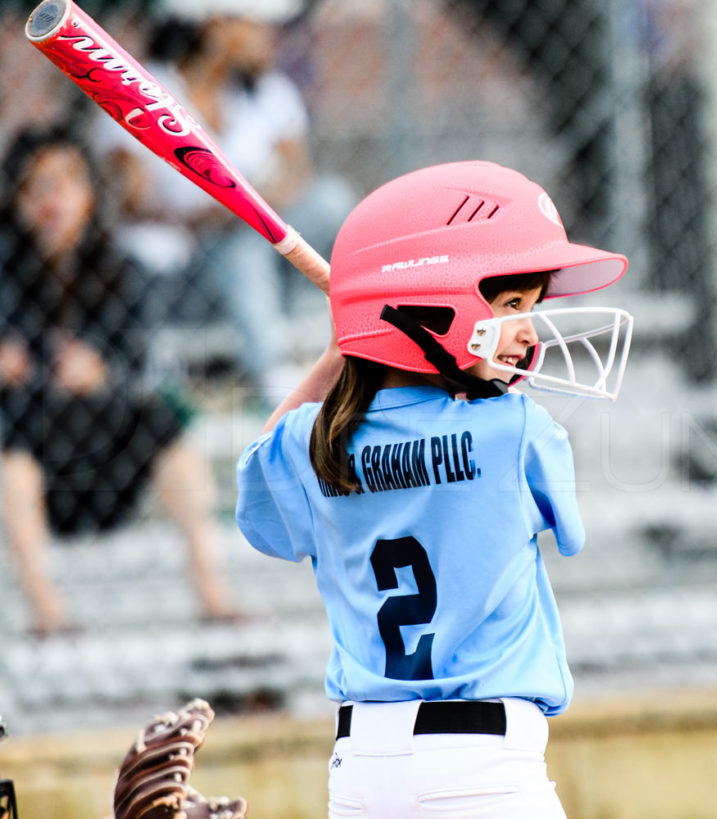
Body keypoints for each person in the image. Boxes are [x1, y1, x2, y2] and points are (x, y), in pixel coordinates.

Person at [235, 160, 633, 817]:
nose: (530, 331)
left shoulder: (312, 443)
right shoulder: (516, 429)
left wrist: (347, 346)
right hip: (485, 768)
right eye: (510, 306)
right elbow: (566, 526)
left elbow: (257, 477)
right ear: (439, 307)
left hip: (361, 774)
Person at [0, 126, 244, 636]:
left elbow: (137, 361)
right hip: (31, 447)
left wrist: (101, 371)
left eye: (64, 183)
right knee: (12, 453)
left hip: (103, 451)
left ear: (89, 192)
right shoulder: (7, 272)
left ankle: (211, 590)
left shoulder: (118, 268)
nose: (52, 200)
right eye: (36, 188)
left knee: (164, 422)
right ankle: (46, 608)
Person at [92, 4, 358, 401]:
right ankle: (274, 378)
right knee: (240, 238)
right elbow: (133, 200)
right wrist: (213, 211)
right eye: (257, 26)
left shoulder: (267, 91)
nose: (272, 37)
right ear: (215, 26)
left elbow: (296, 179)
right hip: (184, 270)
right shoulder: (144, 91)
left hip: (272, 251)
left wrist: (246, 203)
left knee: (332, 200)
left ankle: (365, 330)